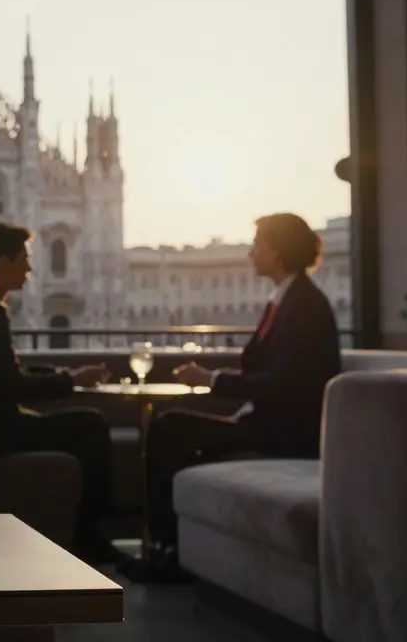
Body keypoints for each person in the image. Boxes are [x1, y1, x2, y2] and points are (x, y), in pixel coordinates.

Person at [132, 212, 342, 581]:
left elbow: (280, 382)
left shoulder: (303, 305)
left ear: (276, 251)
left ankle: (168, 549)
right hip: (268, 420)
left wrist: (211, 379)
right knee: (174, 425)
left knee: (170, 428)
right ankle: (170, 546)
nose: (250, 253)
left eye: (257, 244)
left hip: (286, 431)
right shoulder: (288, 299)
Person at [0, 223, 119, 564]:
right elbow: (12, 385)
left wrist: (66, 376)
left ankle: (86, 533)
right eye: (24, 259)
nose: (30, 268)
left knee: (83, 424)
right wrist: (67, 381)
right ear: (3, 262)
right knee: (90, 426)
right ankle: (90, 536)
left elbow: (3, 373)